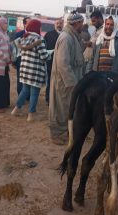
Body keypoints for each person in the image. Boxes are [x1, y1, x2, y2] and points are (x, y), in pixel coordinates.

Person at [49, 11, 85, 145]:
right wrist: (73, 84)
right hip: (64, 83)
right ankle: (57, 135)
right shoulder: (66, 38)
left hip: (70, 82)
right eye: (81, 23)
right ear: (76, 23)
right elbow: (63, 64)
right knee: (60, 109)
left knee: (68, 108)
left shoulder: (73, 37)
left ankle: (67, 133)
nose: (83, 25)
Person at [11, 19, 49, 122]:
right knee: (34, 93)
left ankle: (16, 110)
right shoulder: (39, 39)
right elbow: (44, 56)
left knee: (25, 90)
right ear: (37, 28)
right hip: (35, 71)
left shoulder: (23, 38)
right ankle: (31, 115)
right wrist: (49, 54)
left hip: (25, 70)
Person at [44, 18, 63, 104]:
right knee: (50, 81)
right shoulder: (48, 34)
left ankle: (57, 99)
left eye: (60, 23)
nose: (59, 25)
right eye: (57, 23)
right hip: (50, 62)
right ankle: (48, 98)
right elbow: (44, 47)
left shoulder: (65, 35)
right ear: (54, 25)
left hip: (62, 63)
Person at [13, 17, 31, 96]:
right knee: (20, 78)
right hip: (20, 59)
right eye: (28, 23)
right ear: (24, 24)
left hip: (30, 60)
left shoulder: (36, 35)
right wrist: (14, 61)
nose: (30, 24)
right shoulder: (18, 35)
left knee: (29, 78)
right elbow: (14, 49)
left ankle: (27, 96)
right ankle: (20, 95)